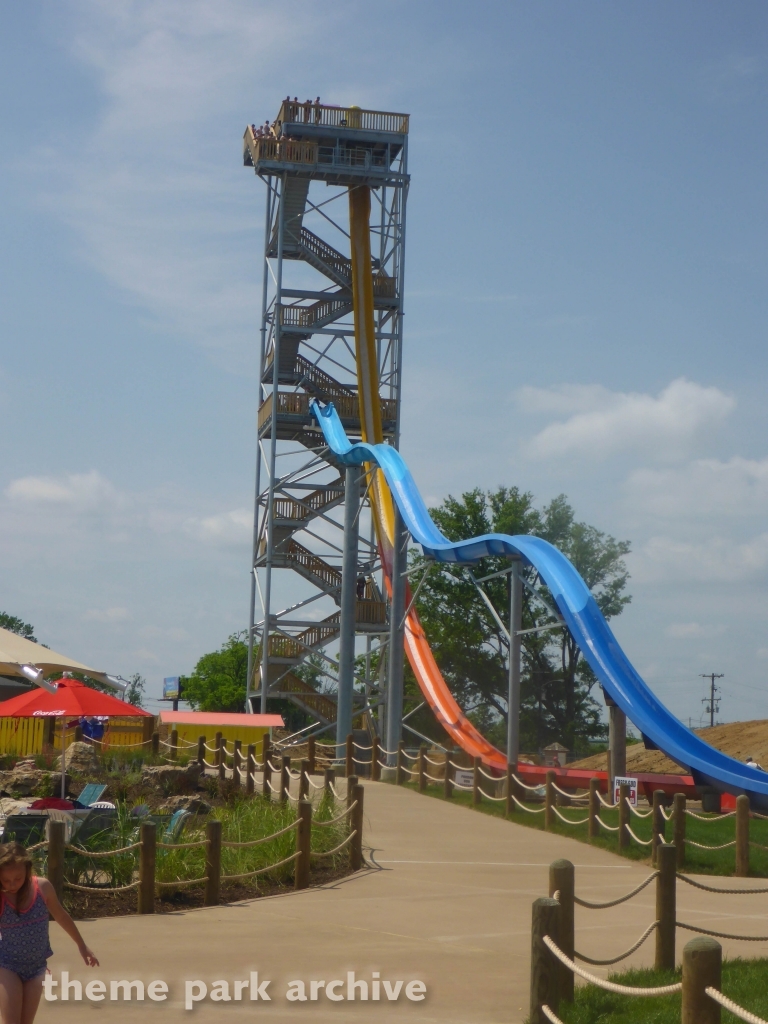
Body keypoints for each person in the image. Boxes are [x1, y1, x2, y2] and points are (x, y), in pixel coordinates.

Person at [0, 843, 98, 1024]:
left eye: (18, 878)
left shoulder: (42, 888)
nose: (11, 885)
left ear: (28, 871)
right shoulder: (2, 896)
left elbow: (61, 916)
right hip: (7, 966)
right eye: (6, 880)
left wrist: (82, 945)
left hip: (37, 967)